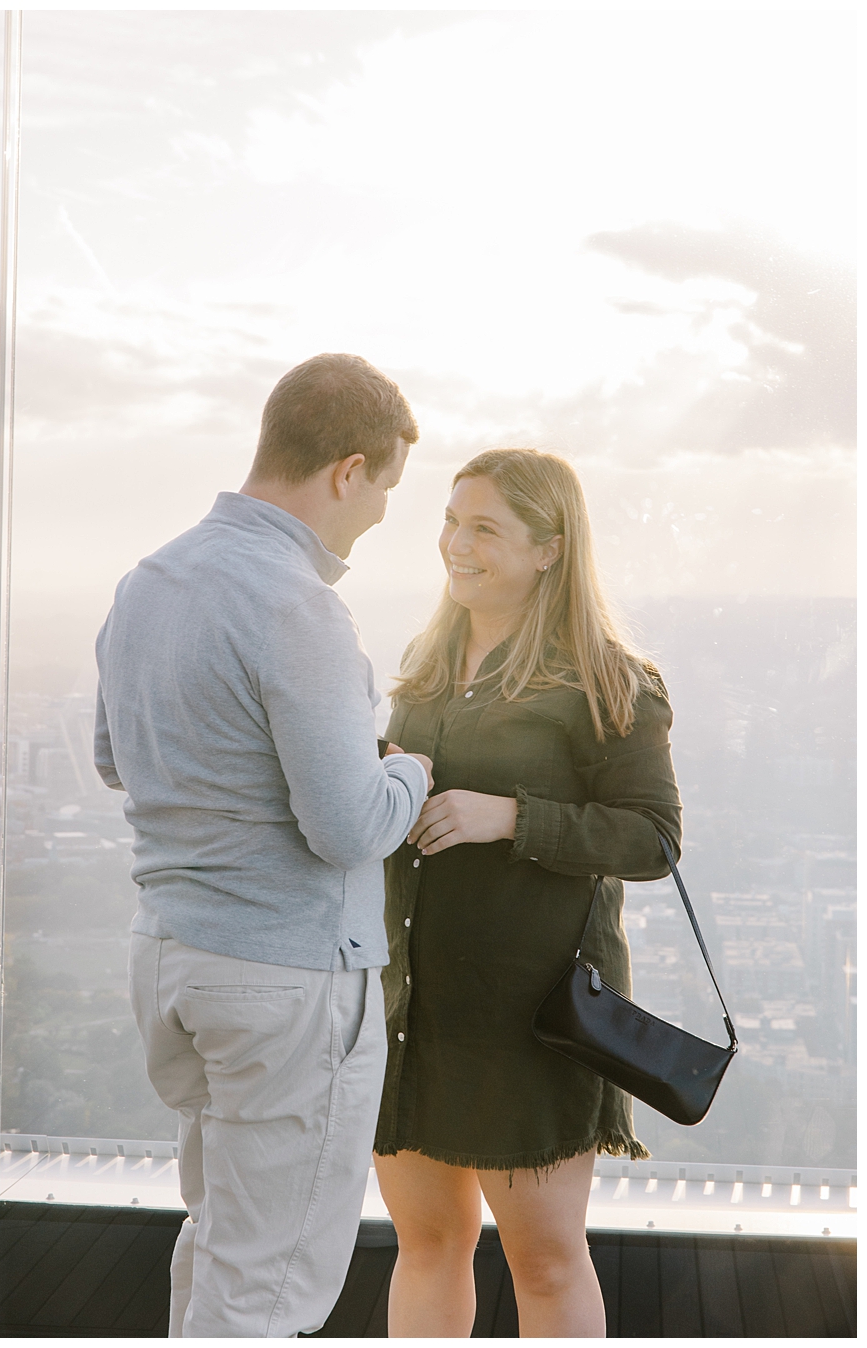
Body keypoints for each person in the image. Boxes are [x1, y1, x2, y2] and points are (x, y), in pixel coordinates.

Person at [93, 353, 435, 1337]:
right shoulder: (297, 606)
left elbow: (116, 757)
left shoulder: (146, 580)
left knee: (220, 1248)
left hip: (172, 960)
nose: (377, 517)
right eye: (385, 490)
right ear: (347, 469)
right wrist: (406, 770)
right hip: (284, 980)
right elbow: (348, 825)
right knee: (269, 1284)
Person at [373, 448, 682, 1338]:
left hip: (535, 1018)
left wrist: (510, 816)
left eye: (483, 529)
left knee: (544, 1262)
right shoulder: (427, 664)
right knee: (427, 1243)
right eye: (450, 520)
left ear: (550, 549)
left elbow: (653, 839)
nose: (454, 544)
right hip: (415, 1010)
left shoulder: (610, 682)